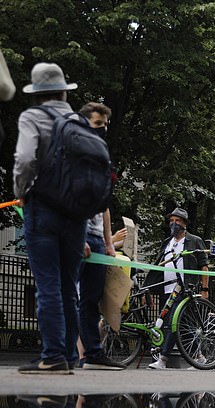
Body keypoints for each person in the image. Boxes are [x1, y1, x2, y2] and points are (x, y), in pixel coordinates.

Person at [13, 63, 84, 373]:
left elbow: (25, 158)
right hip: (77, 212)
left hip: (43, 208)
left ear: (37, 93)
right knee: (70, 287)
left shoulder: (32, 116)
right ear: (62, 91)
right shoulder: (78, 120)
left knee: (48, 284)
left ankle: (52, 355)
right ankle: (69, 356)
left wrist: (22, 191)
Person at [75, 102, 124, 370]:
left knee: (91, 299)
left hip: (95, 238)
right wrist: (78, 235)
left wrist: (108, 242)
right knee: (70, 296)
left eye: (105, 125)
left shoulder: (101, 156)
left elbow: (103, 204)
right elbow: (73, 197)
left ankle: (92, 354)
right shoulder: (77, 153)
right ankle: (68, 354)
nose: (103, 129)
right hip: (78, 234)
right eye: (98, 124)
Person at [146, 207, 210, 369]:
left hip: (183, 289)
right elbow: (158, 266)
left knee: (175, 321)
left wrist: (204, 289)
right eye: (171, 221)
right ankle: (199, 357)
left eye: (177, 221)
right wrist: (150, 288)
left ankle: (163, 359)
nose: (173, 224)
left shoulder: (194, 241)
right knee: (180, 326)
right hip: (166, 289)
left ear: (185, 224)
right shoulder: (166, 243)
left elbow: (204, 266)